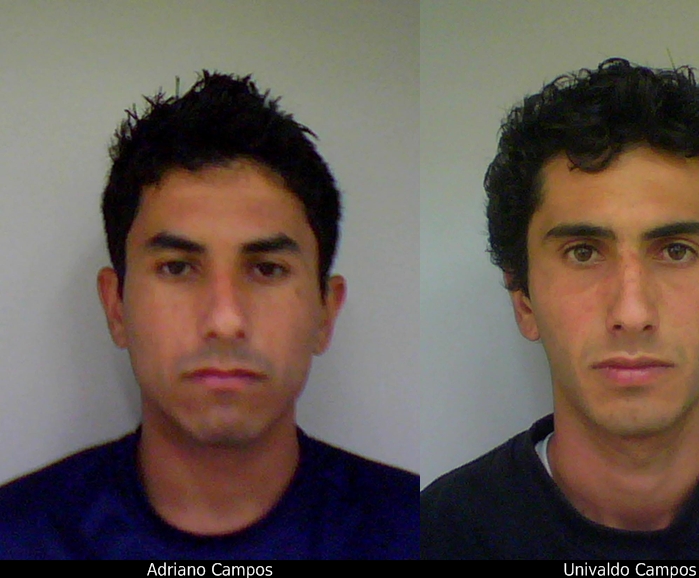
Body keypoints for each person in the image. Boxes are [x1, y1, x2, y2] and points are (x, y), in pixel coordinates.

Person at [421, 58, 699, 559]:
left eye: (677, 251)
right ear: (523, 298)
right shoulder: (435, 535)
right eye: (583, 253)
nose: (632, 312)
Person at [0, 72, 418, 560]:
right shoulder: (16, 538)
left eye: (267, 269)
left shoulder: (415, 532)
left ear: (326, 313)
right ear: (116, 307)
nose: (225, 319)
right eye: (177, 268)